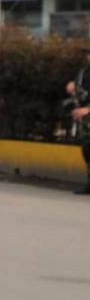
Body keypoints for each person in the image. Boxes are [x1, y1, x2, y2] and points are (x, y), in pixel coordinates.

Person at [66, 48, 90, 193]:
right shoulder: (83, 72)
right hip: (85, 119)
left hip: (87, 112)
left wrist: (88, 109)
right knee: (87, 150)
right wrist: (71, 86)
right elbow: (77, 86)